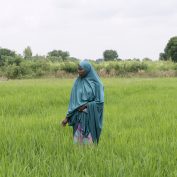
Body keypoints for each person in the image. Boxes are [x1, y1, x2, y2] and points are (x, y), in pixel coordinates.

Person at [61, 60, 104, 145]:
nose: (78, 71)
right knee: (77, 144)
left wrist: (86, 105)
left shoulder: (97, 84)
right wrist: (67, 117)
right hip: (78, 117)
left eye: (81, 69)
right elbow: (73, 101)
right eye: (78, 69)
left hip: (89, 117)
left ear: (87, 69)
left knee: (89, 144)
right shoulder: (77, 82)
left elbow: (100, 102)